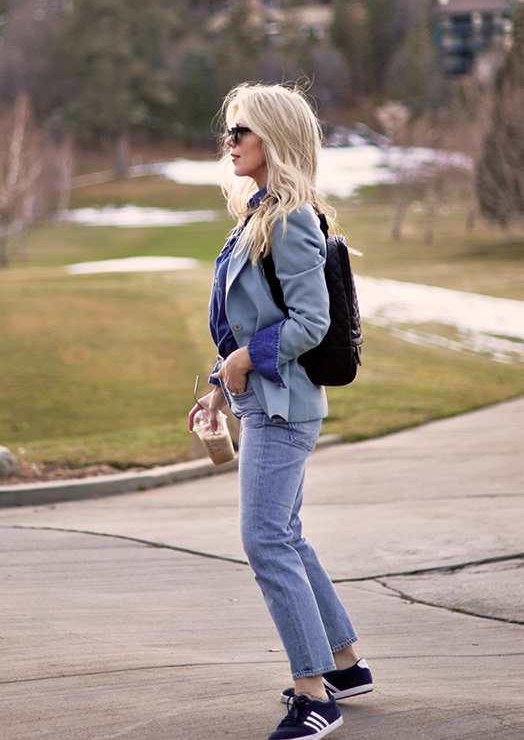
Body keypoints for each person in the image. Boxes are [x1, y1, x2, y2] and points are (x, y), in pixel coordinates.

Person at [189, 83, 372, 740]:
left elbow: (312, 322)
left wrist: (244, 362)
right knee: (285, 535)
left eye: (240, 132)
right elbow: (242, 324)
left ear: (275, 139)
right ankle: (345, 666)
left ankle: (314, 697)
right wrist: (218, 382)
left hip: (284, 408)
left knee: (264, 539)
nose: (229, 142)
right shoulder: (257, 214)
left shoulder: (291, 220)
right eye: (229, 133)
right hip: (264, 400)